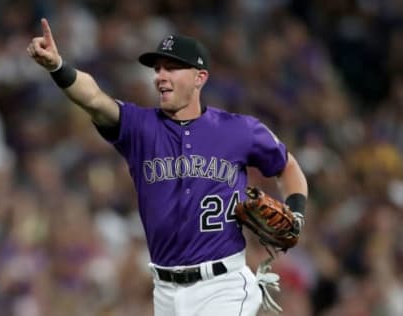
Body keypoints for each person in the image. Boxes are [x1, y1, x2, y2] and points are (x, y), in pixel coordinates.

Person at [27, 18, 308, 316]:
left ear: (200, 77)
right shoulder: (140, 128)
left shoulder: (239, 130)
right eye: (158, 68)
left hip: (222, 285)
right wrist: (58, 67)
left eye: (172, 68)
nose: (161, 76)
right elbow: (94, 99)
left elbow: (287, 167)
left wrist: (297, 213)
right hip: (165, 291)